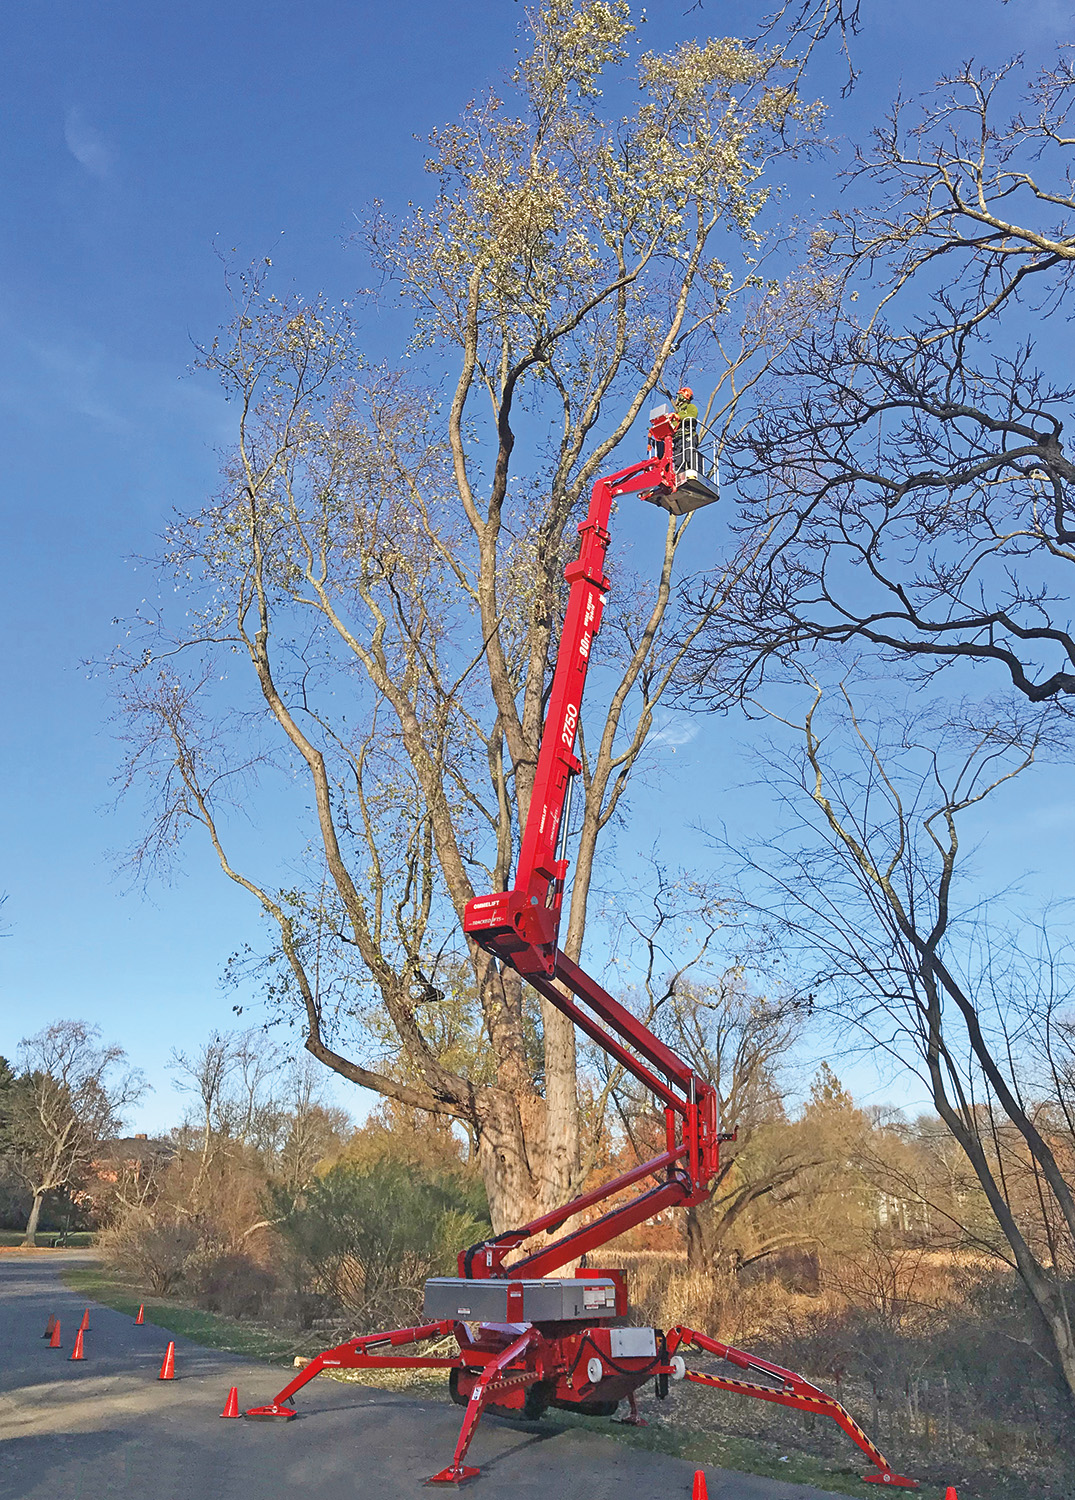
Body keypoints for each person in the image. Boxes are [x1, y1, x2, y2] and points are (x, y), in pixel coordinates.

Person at [672, 385, 700, 473]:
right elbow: (672, 426)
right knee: (678, 460)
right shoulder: (677, 413)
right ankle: (679, 476)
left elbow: (692, 416)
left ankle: (694, 472)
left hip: (688, 435)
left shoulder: (690, 407)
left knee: (689, 455)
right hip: (677, 439)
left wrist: (679, 417)